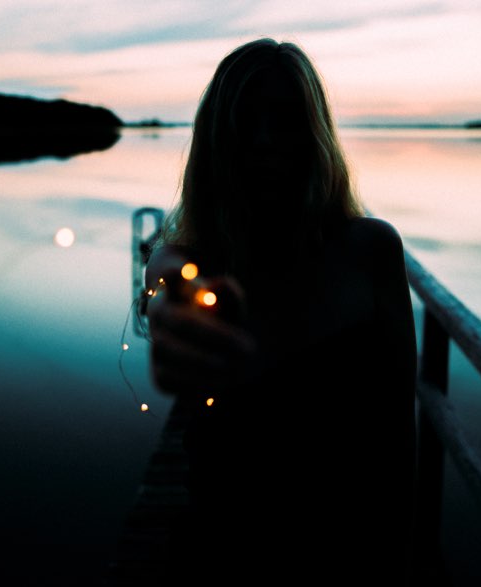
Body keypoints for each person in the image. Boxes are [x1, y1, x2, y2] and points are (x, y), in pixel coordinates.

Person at [144, 38, 416, 584]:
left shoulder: (370, 249)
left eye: (286, 120)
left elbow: (398, 432)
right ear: (218, 139)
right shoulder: (198, 262)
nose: (267, 141)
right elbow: (166, 274)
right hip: (223, 549)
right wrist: (166, 304)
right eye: (247, 121)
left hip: (347, 553)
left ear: (314, 134)